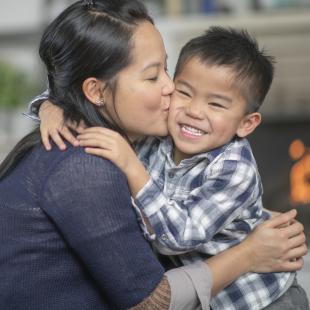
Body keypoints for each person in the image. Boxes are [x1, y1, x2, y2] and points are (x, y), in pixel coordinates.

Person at [20, 1, 307, 309]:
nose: (193, 111)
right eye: (184, 91)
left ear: (247, 123)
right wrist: (52, 106)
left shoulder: (234, 168)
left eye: (217, 104)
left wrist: (132, 168)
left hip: (266, 301)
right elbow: (84, 93)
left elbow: (178, 237)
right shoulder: (158, 133)